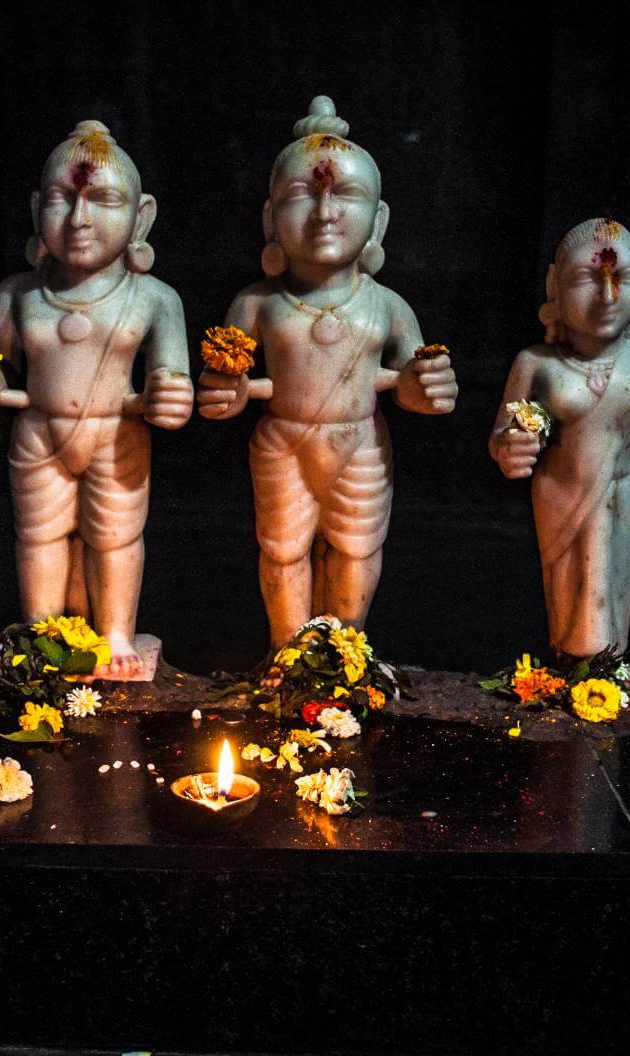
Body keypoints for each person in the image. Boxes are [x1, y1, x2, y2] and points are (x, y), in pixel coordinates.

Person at [197, 97, 457, 648]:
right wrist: (224, 392)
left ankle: (345, 653)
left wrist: (426, 386)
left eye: (347, 195)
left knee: (357, 549)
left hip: (360, 440)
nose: (324, 213)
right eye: (302, 195)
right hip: (283, 442)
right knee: (282, 549)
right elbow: (226, 381)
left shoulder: (386, 305)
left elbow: (416, 383)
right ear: (270, 219)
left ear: (378, 221)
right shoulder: (256, 304)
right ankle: (287, 653)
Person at [0, 121, 192, 679]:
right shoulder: (17, 294)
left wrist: (169, 394)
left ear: (142, 217)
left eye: (103, 201)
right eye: (62, 200)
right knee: (38, 535)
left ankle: (116, 632)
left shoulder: (156, 299)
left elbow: (172, 377)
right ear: (37, 211)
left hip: (117, 434)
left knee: (117, 538)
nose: (79, 220)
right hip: (38, 432)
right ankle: (40, 631)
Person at [490, 218, 630, 659]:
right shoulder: (536, 363)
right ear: (554, 287)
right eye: (587, 279)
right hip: (561, 493)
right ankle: (574, 669)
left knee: (611, 589)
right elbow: (501, 433)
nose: (608, 296)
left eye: (622, 279)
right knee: (569, 596)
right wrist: (509, 447)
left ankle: (605, 671)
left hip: (620, 492)